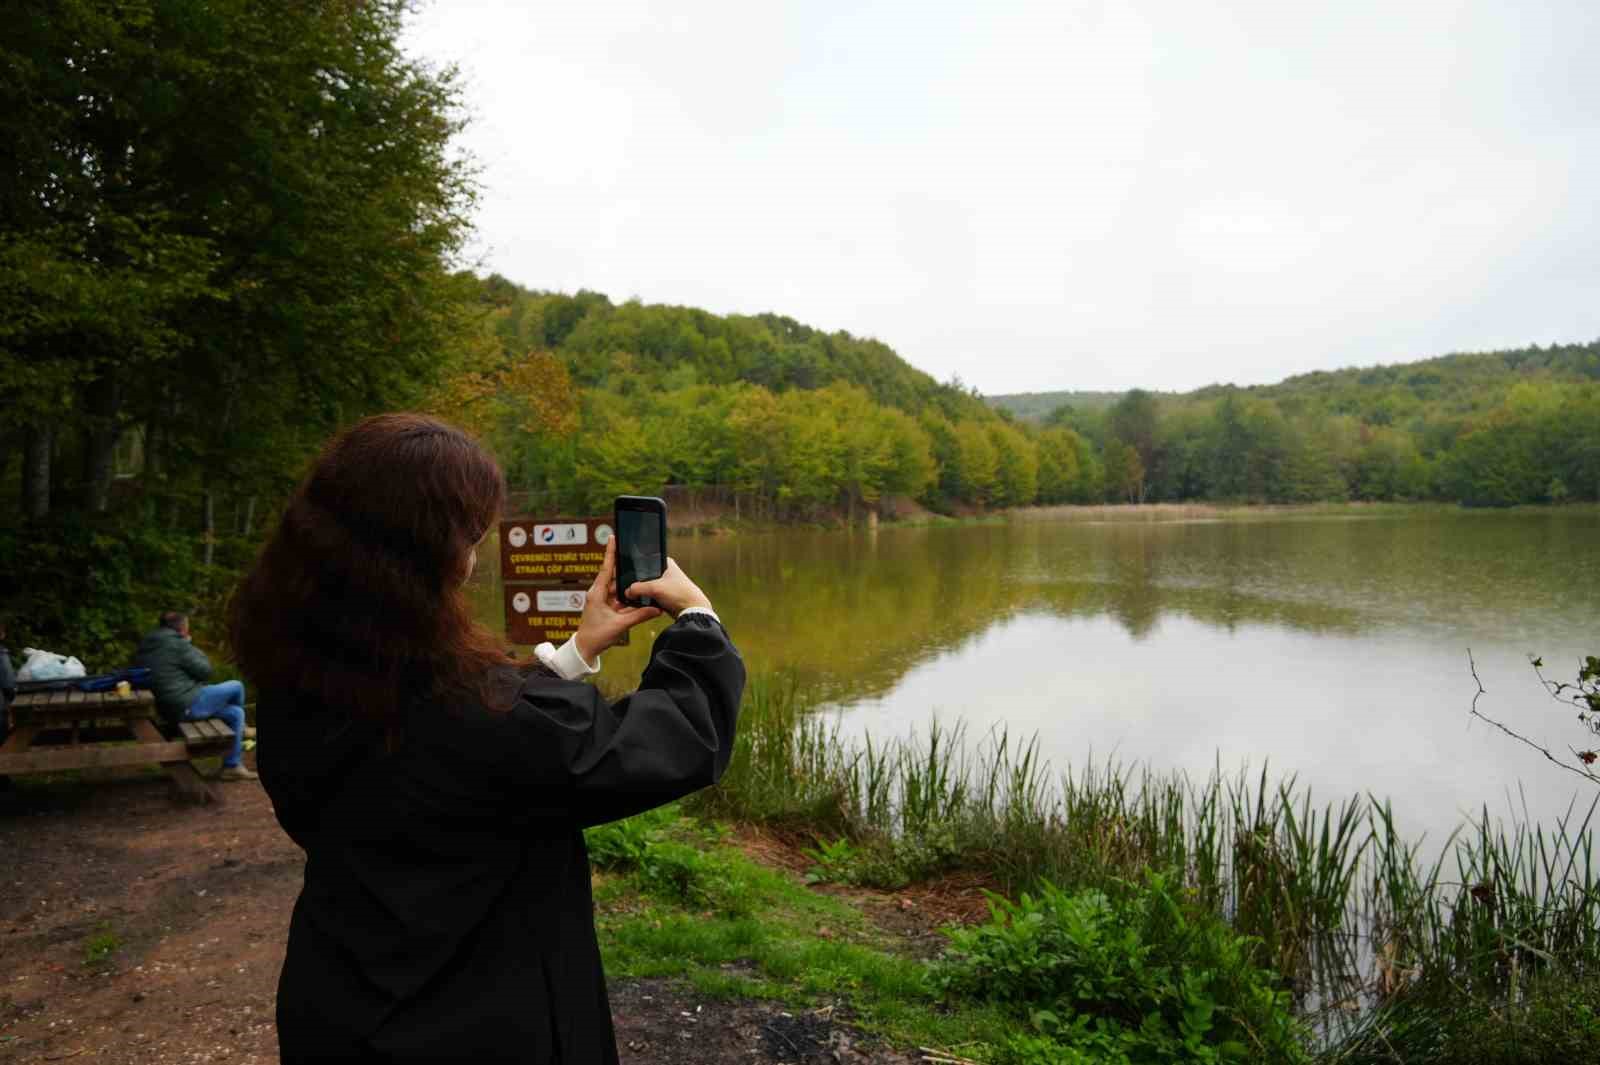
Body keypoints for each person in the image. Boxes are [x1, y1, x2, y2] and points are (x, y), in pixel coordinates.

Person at [227, 413, 743, 1064]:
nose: (473, 560)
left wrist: (577, 650)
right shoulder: (477, 722)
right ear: (418, 559)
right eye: (468, 540)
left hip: (341, 1008)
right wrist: (696, 615)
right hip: (474, 1029)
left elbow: (462, 753)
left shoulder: (301, 676)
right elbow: (682, 734)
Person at [134, 612, 256, 781]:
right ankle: (242, 731)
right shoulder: (177, 643)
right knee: (237, 686)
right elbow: (205, 671)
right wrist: (190, 645)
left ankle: (232, 766)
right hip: (185, 704)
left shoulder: (147, 643)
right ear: (182, 629)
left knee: (236, 713)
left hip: (165, 708)